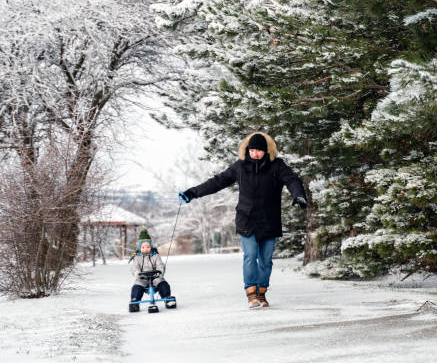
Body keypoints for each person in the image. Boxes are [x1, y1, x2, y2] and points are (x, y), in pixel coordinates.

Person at [179, 132, 307, 308]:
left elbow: (292, 180)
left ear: (266, 151)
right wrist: (191, 193)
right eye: (252, 150)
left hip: (269, 220)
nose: (255, 154)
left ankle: (262, 293)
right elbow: (218, 181)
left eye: (259, 151)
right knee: (251, 255)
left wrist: (299, 195)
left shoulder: (277, 166)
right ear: (248, 150)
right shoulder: (240, 167)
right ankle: (251, 293)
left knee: (266, 260)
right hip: (247, 219)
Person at [129, 229, 175, 307]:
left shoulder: (156, 256)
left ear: (151, 247)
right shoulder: (137, 258)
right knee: (137, 286)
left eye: (148, 247)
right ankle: (135, 301)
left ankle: (167, 298)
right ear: (140, 248)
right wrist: (137, 273)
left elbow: (160, 265)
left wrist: (160, 271)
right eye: (143, 247)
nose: (145, 249)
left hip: (155, 277)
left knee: (163, 284)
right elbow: (135, 267)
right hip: (142, 278)